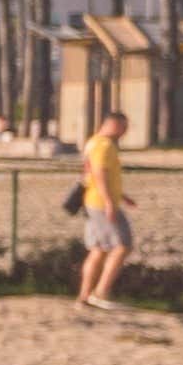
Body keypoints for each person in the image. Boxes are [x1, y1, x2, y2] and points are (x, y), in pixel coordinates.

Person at [73, 110, 135, 312]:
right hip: (100, 203)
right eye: (123, 127)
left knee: (98, 249)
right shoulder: (104, 145)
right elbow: (100, 173)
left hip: (93, 200)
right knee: (123, 244)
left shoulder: (93, 142)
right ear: (114, 125)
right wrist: (109, 201)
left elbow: (94, 174)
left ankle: (84, 296)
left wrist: (121, 195)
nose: (125, 132)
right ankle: (100, 292)